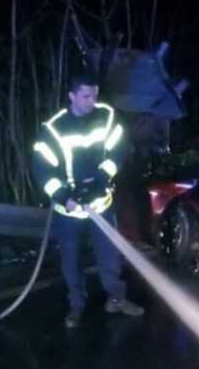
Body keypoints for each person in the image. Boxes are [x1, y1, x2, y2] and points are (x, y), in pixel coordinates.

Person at [31, 72, 144, 329]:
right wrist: (64, 197)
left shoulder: (106, 117)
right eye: (85, 96)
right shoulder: (53, 129)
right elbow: (43, 170)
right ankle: (76, 307)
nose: (91, 100)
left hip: (100, 205)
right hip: (68, 211)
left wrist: (103, 177)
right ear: (72, 96)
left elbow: (119, 149)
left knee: (109, 257)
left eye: (94, 94)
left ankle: (117, 299)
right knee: (71, 262)